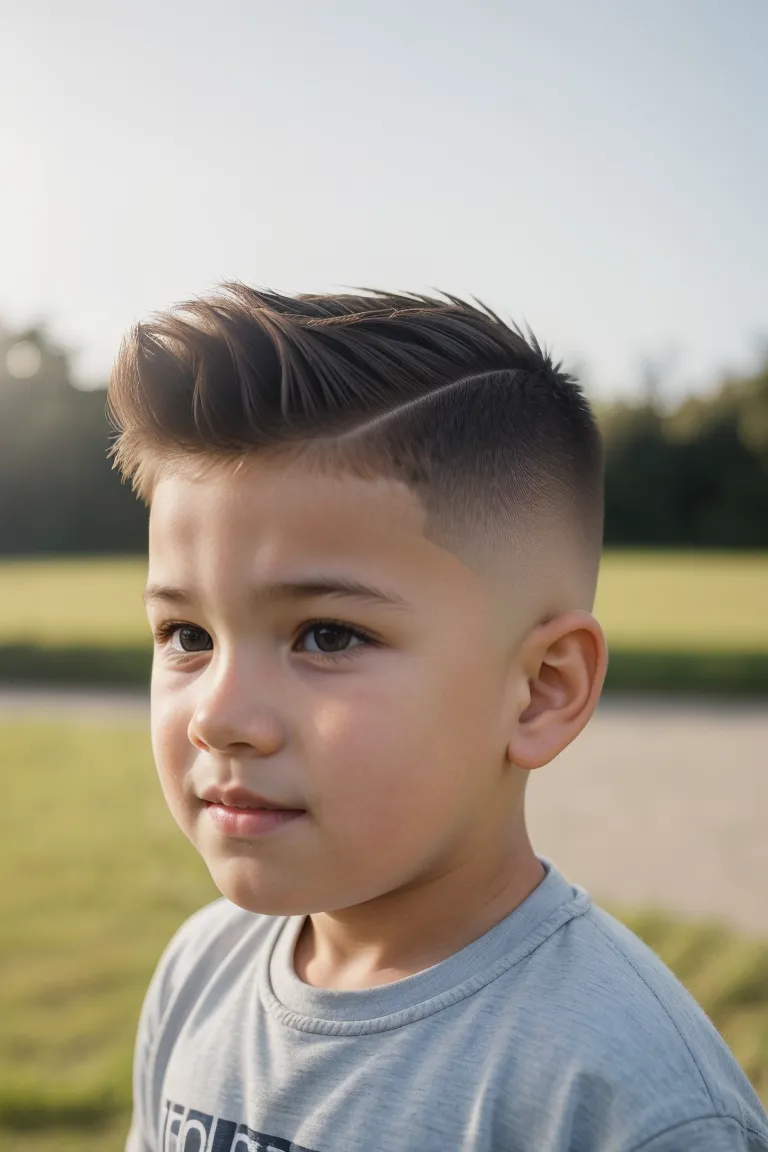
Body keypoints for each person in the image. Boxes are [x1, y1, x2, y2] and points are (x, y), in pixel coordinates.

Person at [112, 284, 768, 1152]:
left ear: (540, 688)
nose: (220, 717)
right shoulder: (201, 972)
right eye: (186, 634)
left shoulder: (621, 1102)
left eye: (327, 635)